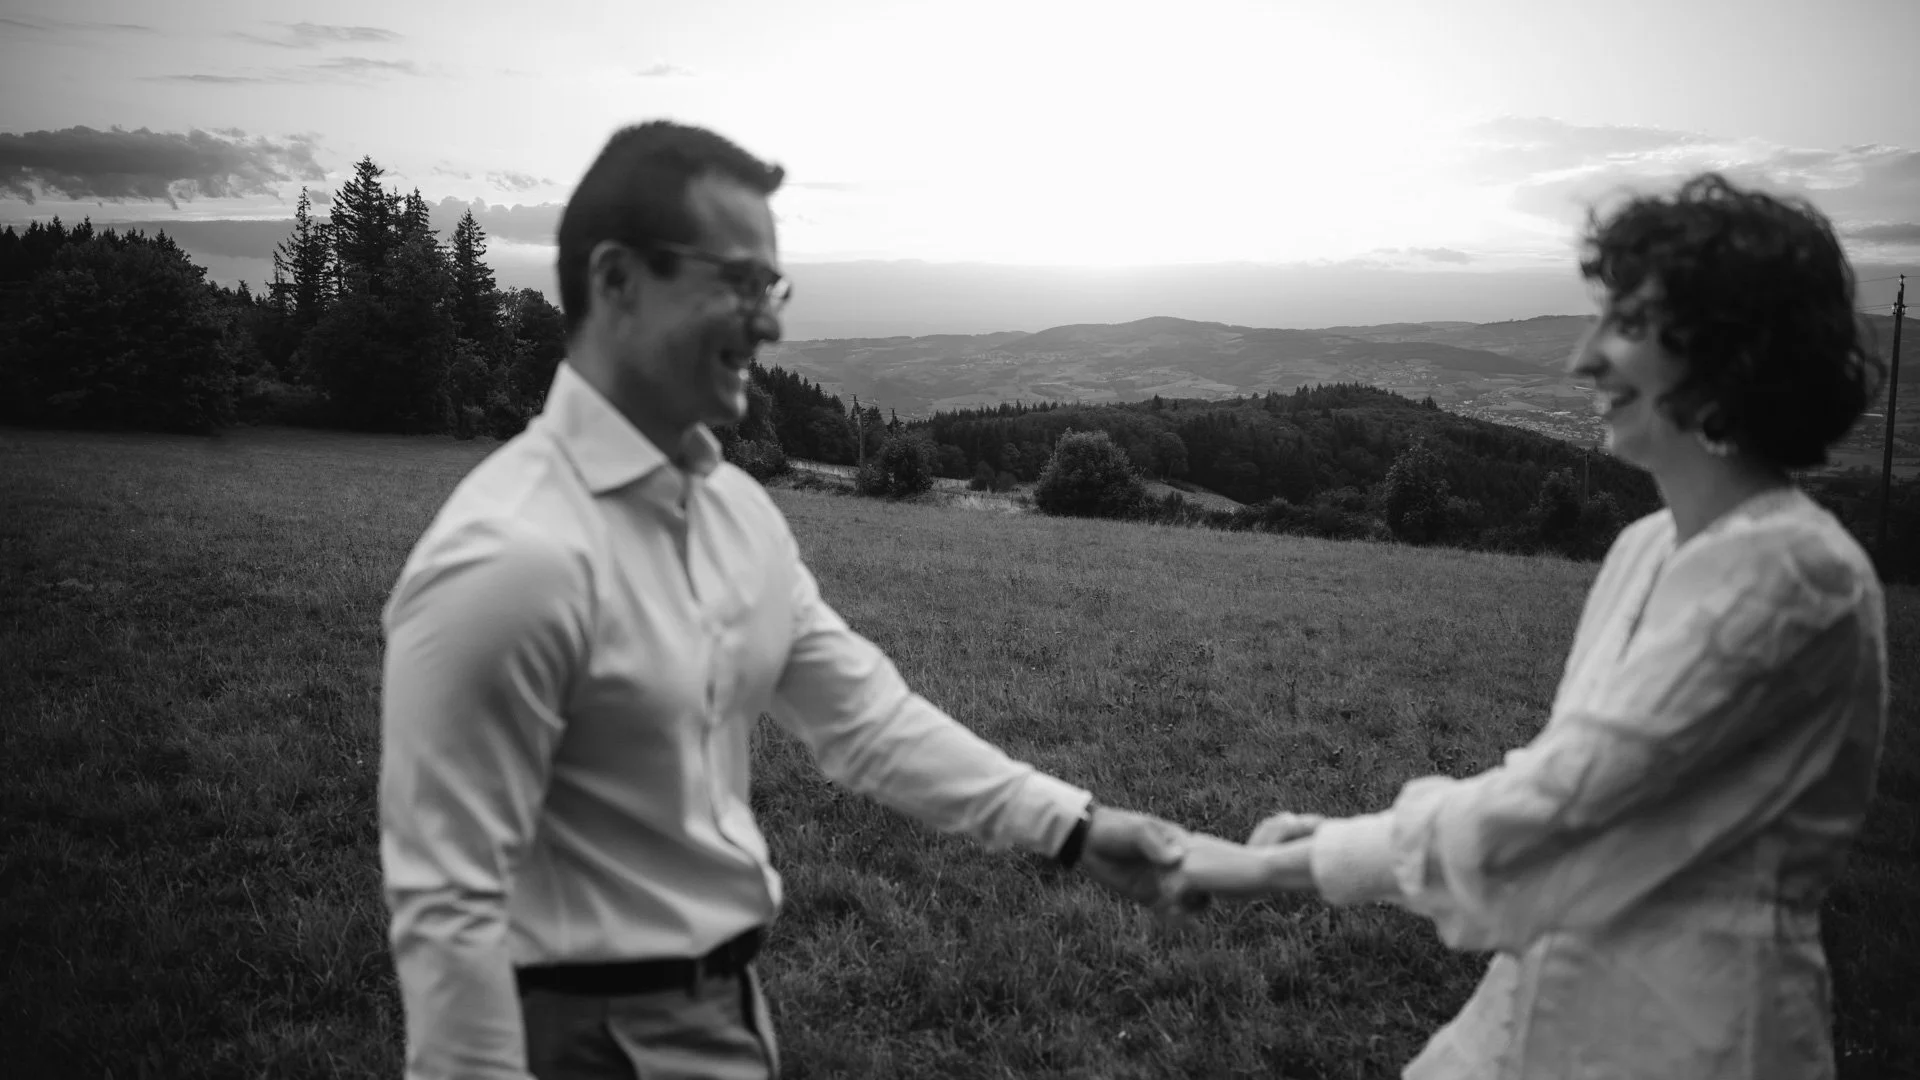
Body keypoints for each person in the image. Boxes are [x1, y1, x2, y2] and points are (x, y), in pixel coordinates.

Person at [378, 120, 1197, 1080]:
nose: (767, 323)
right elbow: (450, 913)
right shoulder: (505, 559)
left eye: (771, 287)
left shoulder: (735, 514)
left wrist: (1076, 829)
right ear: (617, 279)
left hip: (726, 1010)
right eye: (737, 282)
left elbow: (869, 721)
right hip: (586, 1041)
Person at [1184, 172, 1890, 1078]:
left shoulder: (1789, 575)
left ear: (1733, 355)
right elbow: (1577, 784)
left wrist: (1289, 864)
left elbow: (1558, 808)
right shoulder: (1646, 546)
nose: (1583, 360)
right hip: (1544, 1002)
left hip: (1693, 1036)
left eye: (1626, 326)